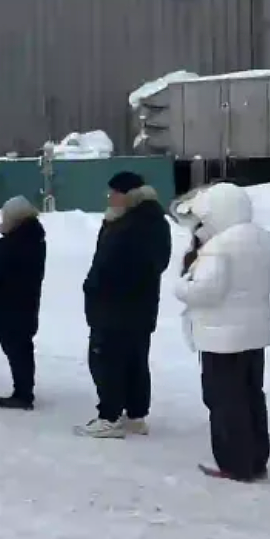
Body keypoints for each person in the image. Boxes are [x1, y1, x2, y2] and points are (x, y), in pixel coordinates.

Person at [173, 183, 270, 481]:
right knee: (250, 395)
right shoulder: (263, 238)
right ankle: (256, 458)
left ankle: (235, 463)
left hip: (221, 338)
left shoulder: (219, 247)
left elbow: (205, 291)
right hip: (254, 334)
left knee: (224, 400)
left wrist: (182, 285)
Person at [76, 171, 171, 438]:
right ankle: (136, 414)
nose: (110, 197)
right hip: (140, 306)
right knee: (135, 360)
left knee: (107, 361)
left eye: (114, 193)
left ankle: (110, 416)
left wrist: (95, 285)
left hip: (115, 307)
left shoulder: (131, 224)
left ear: (127, 195)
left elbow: (116, 264)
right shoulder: (152, 220)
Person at [0, 196, 46, 410]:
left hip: (7, 305)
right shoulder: (37, 241)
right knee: (23, 349)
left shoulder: (8, 245)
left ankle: (22, 394)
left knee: (15, 350)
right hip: (28, 302)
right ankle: (25, 390)